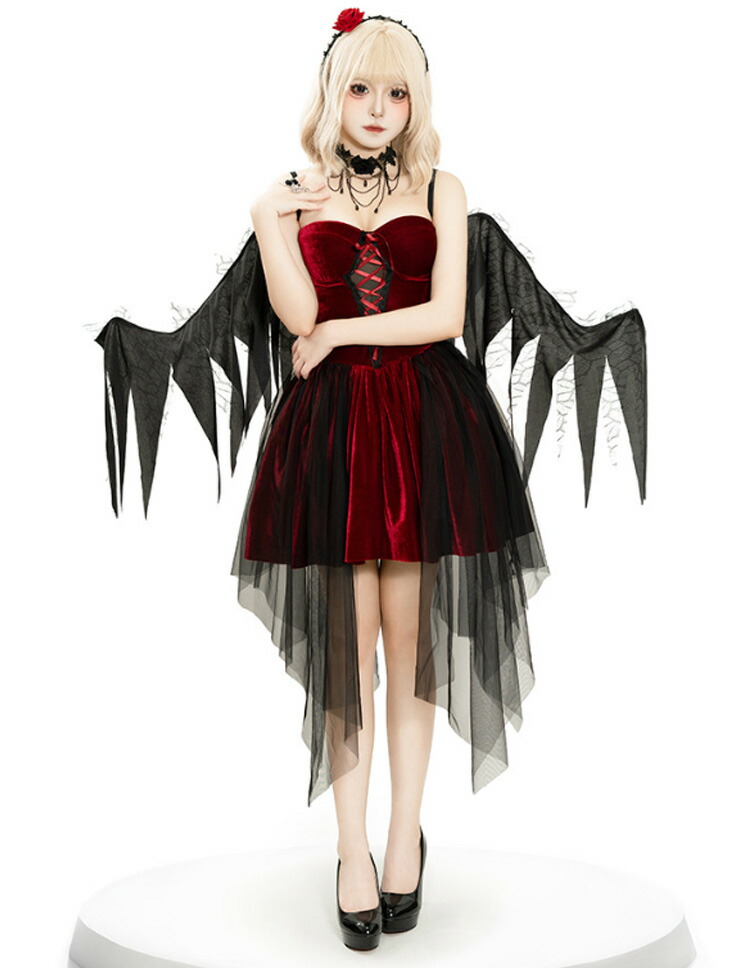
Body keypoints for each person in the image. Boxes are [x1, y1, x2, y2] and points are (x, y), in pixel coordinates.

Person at [93, 7, 647, 952]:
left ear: (416, 101)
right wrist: (268, 215)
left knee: (413, 641)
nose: (380, 107)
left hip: (428, 425)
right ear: (332, 92)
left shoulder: (442, 188)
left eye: (397, 91)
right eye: (361, 88)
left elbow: (444, 316)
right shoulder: (299, 196)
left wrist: (346, 331)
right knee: (346, 652)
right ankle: (350, 847)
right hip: (337, 436)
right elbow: (295, 314)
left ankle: (402, 839)